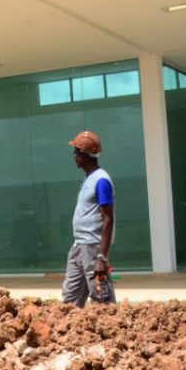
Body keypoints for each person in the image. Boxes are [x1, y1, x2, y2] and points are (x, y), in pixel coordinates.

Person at [62, 130, 116, 307]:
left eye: (76, 152)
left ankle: (111, 329)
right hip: (79, 244)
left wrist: (101, 257)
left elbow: (108, 219)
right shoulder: (88, 179)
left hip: (92, 247)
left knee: (102, 298)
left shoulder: (101, 181)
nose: (74, 156)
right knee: (70, 299)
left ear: (85, 155)